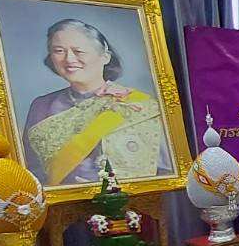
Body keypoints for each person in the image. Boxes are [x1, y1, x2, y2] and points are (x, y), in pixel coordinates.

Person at [22, 18, 169, 185]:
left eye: (78, 51)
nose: (69, 59)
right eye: (59, 51)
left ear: (105, 57)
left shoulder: (140, 105)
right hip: (61, 206)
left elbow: (164, 171)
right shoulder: (41, 106)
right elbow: (32, 173)